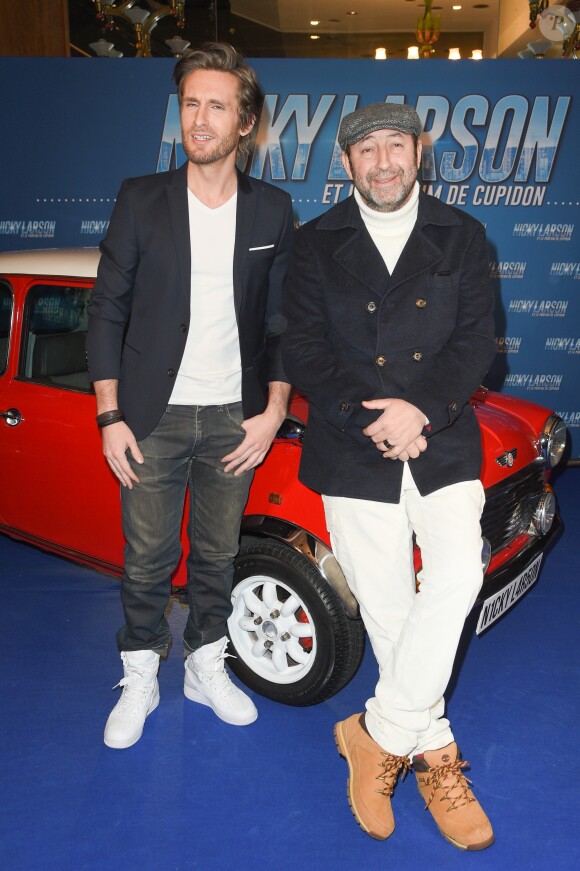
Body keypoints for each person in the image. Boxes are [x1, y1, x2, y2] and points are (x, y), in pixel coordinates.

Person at [282, 102, 496, 851]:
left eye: (394, 146)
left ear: (419, 153)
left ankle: (376, 732)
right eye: (365, 149)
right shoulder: (315, 244)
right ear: (346, 164)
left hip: (441, 440)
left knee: (459, 575)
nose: (381, 162)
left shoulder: (462, 235)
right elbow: (303, 347)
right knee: (387, 608)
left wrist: (422, 410)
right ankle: (435, 751)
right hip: (351, 442)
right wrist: (366, 413)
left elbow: (477, 343)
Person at [86, 43, 293, 750]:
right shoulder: (140, 198)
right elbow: (106, 310)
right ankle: (141, 668)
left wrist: (272, 411)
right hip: (152, 417)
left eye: (217, 106)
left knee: (216, 554)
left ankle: (206, 662)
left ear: (246, 123)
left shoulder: (273, 209)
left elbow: (281, 322)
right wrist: (109, 413)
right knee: (146, 557)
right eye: (190, 103)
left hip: (235, 418)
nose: (199, 119)